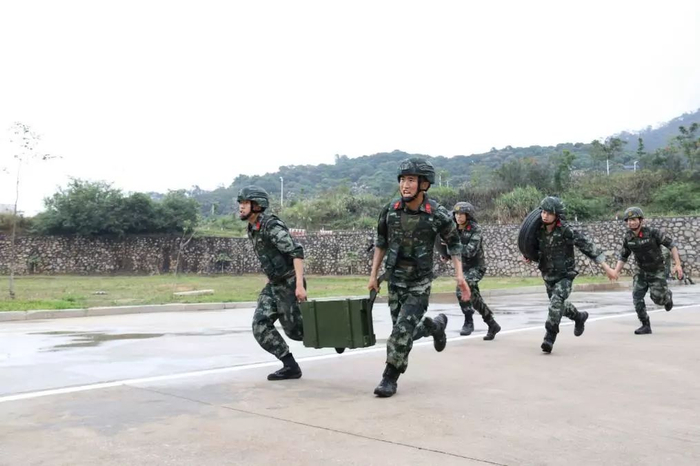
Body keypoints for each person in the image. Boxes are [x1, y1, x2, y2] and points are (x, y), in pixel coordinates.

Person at [368, 158, 470, 398]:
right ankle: (434, 326)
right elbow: (381, 244)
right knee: (402, 331)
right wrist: (373, 276)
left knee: (401, 332)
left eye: (411, 180)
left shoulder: (436, 213)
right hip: (395, 280)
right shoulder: (390, 211)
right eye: (402, 180)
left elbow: (454, 243)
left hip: (419, 283)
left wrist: (459, 276)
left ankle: (389, 378)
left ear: (424, 184)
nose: (405, 185)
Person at [238, 186, 307, 380]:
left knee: (296, 331)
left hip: (289, 283)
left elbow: (296, 252)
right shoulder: (252, 228)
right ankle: (290, 366)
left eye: (245, 203)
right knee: (259, 325)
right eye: (240, 203)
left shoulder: (271, 226)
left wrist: (299, 285)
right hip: (274, 284)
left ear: (257, 205)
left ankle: (334, 335)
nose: (241, 207)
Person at [533, 196, 617, 353]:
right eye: (543, 212)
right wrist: (527, 255)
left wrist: (607, 268)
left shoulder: (566, 231)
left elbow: (586, 246)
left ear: (557, 215)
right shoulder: (538, 230)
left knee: (556, 302)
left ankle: (549, 337)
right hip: (548, 275)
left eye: (549, 213)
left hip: (565, 276)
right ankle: (579, 317)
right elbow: (532, 247)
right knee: (558, 306)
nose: (545, 216)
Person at [612, 207, 683, 334]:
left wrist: (677, 264)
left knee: (658, 299)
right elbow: (623, 256)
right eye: (628, 220)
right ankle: (645, 324)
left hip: (656, 270)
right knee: (637, 297)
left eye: (634, 219)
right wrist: (616, 271)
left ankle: (667, 297)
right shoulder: (628, 237)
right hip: (641, 270)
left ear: (641, 220)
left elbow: (672, 245)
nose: (631, 223)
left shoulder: (653, 233)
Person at [448, 202, 501, 340]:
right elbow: (446, 247)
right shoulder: (452, 228)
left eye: (462, 214)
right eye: (456, 214)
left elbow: (469, 252)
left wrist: (451, 248)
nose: (458, 217)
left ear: (468, 215)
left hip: (476, 267)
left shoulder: (475, 229)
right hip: (463, 269)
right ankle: (492, 323)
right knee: (474, 297)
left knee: (461, 289)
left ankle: (468, 322)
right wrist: (446, 253)